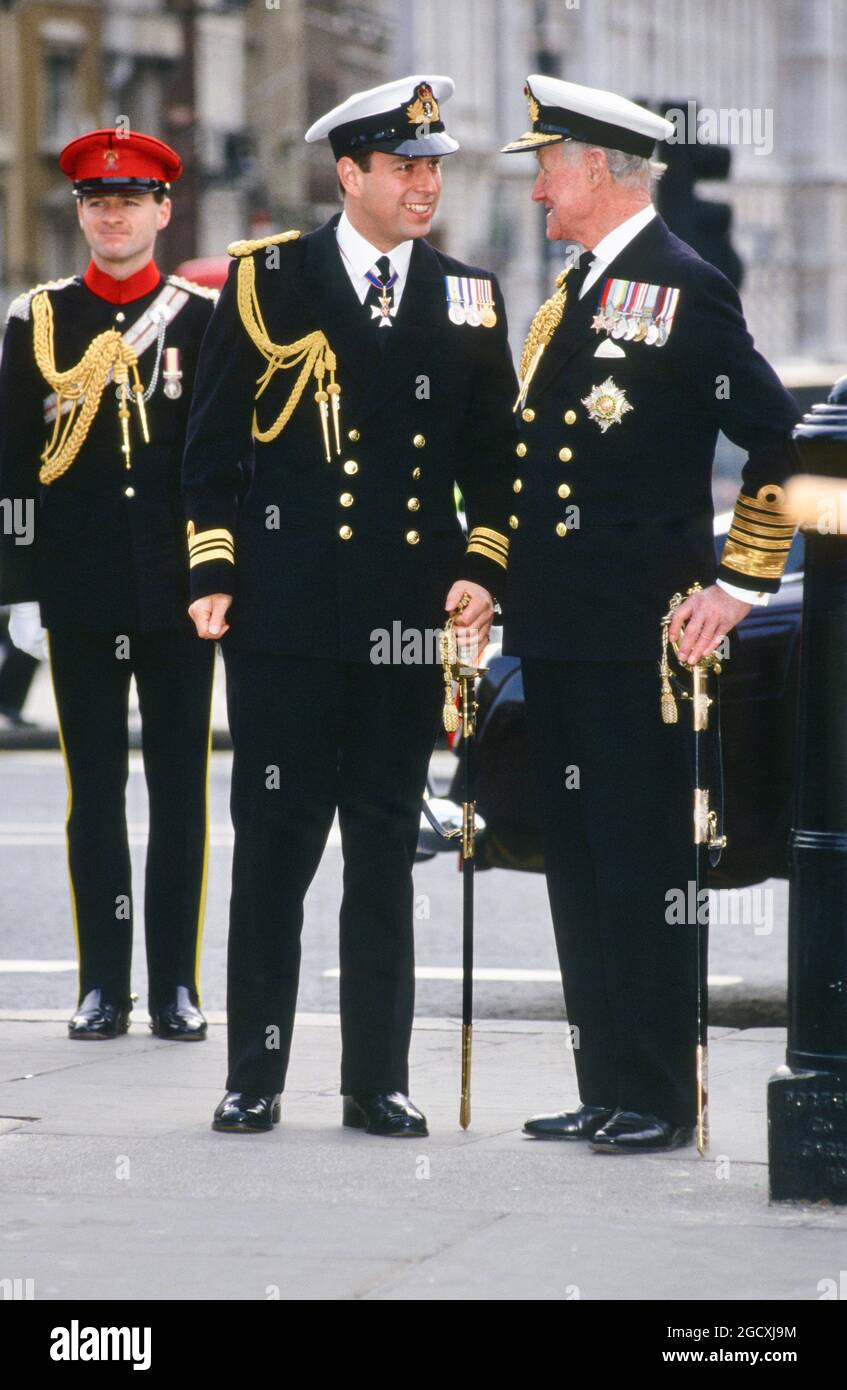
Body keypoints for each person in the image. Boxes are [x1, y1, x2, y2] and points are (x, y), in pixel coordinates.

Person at [182, 75, 517, 1135]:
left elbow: (496, 462)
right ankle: (255, 1075)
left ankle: (377, 1080)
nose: (425, 184)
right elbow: (210, 453)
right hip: (281, 620)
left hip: (403, 623)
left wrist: (483, 563)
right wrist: (213, 575)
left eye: (434, 167)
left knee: (381, 852)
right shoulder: (264, 281)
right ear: (351, 174)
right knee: (274, 852)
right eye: (406, 166)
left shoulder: (469, 296)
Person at [500, 77, 800, 1153]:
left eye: (546, 166)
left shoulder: (683, 284)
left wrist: (739, 583)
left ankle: (662, 1098)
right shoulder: (574, 291)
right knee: (577, 861)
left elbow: (780, 439)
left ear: (595, 168)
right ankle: (605, 1080)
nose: (536, 188)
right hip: (560, 631)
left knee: (643, 864)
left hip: (642, 640)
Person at [0, 129, 218, 1041]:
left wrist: (222, 573)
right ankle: (102, 986)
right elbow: (13, 465)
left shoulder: (202, 320)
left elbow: (218, 464)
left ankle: (174, 985)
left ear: (163, 211)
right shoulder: (37, 320)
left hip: (175, 594)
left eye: (131, 201)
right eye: (97, 202)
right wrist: (16, 589)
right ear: (80, 214)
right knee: (94, 795)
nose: (113, 215)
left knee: (178, 794)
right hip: (81, 594)